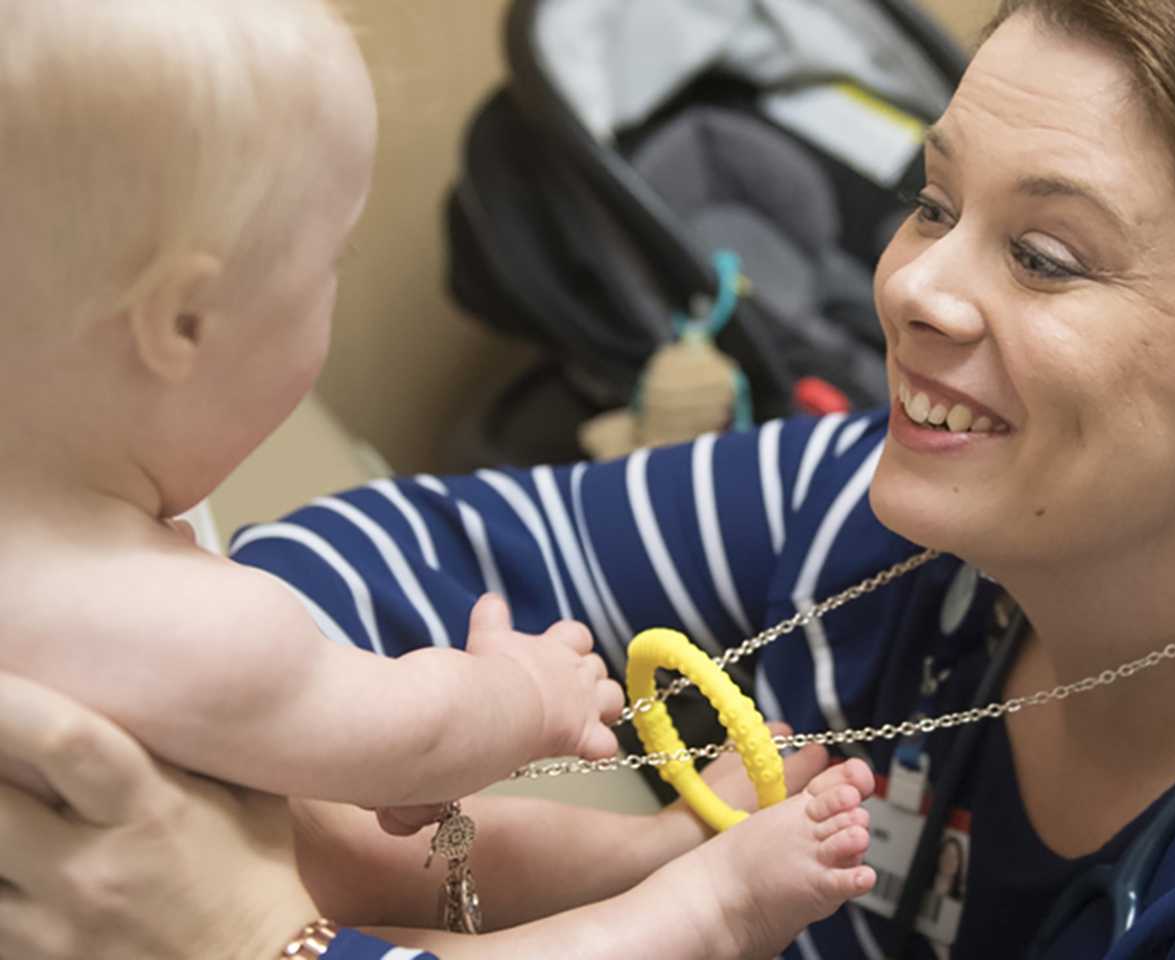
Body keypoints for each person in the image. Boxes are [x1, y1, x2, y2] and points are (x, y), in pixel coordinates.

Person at [7, 0, 1175, 956]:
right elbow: (419, 546)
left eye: (1046, 257)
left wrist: (252, 927)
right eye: (933, 204)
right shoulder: (867, 512)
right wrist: (259, 721)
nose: (910, 286)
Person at [0, 1, 879, 957]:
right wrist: (520, 697)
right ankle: (709, 911)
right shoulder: (174, 625)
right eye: (325, 264)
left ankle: (655, 850)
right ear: (184, 325)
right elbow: (413, 741)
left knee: (306, 834)